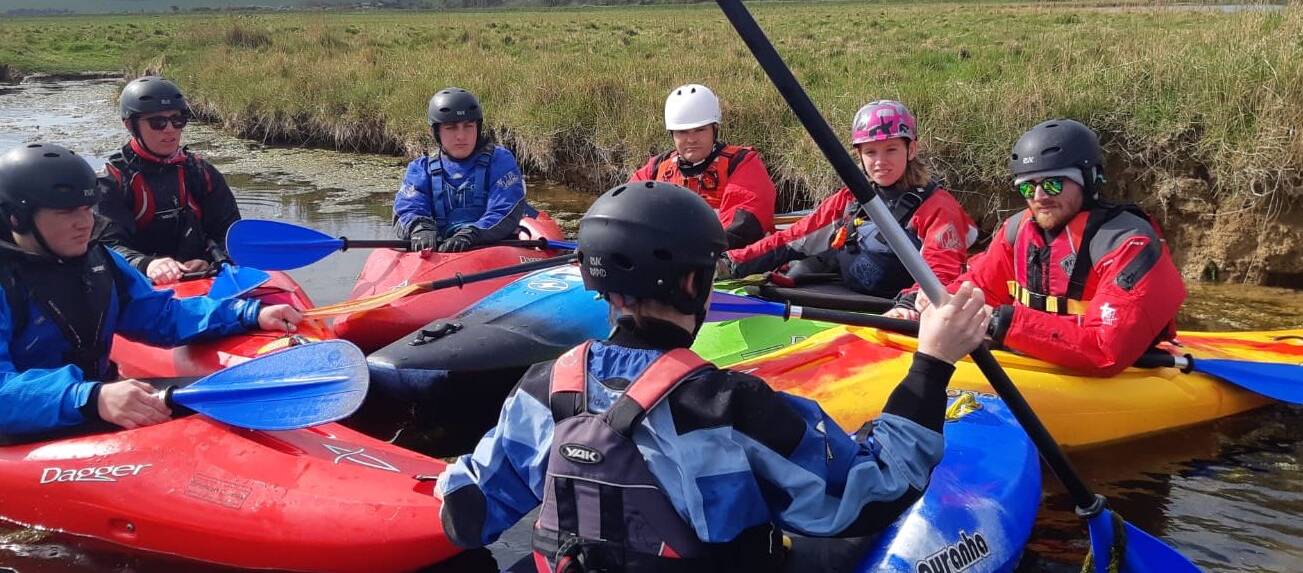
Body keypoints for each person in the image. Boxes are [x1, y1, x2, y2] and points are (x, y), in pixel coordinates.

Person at [436, 180, 990, 572]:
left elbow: (468, 513)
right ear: (697, 286)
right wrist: (932, 364)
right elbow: (875, 489)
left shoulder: (541, 388)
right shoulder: (731, 406)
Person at [0, 142, 303, 441]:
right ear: (17, 217)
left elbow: (161, 317)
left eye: (86, 208)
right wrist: (90, 397)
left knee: (233, 396)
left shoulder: (101, 261)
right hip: (25, 431)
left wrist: (247, 313)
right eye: (66, 212)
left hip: (99, 400)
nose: (84, 223)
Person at [915, 118, 1187, 377]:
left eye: (1052, 184)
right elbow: (978, 286)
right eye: (1027, 188)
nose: (1039, 197)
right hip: (1035, 356)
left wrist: (998, 321)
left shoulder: (1128, 243)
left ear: (1089, 180)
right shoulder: (1018, 230)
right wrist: (924, 303)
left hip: (1120, 371)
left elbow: (1104, 350)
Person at [721, 100, 977, 299]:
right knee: (797, 267)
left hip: (901, 307)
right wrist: (731, 261)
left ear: (911, 149)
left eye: (891, 149)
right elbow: (793, 237)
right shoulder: (851, 199)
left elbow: (941, 274)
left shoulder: (937, 207)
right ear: (860, 155)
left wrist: (910, 305)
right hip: (848, 292)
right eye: (871, 152)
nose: (880, 162)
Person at [97, 76, 241, 285]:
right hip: (140, 285)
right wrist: (146, 264)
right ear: (130, 125)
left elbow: (229, 231)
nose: (170, 129)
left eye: (177, 120)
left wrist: (211, 260)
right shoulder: (112, 181)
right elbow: (106, 245)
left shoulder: (201, 172)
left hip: (202, 279)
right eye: (157, 122)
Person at [630, 83, 777, 249]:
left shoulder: (741, 163)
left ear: (714, 129)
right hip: (669, 262)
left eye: (700, 130)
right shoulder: (655, 169)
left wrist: (702, 254)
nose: (691, 139)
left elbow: (745, 222)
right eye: (682, 132)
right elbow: (626, 210)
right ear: (672, 134)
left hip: (727, 262)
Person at [393, 87, 527, 254]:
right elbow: (408, 207)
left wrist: (470, 235)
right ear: (434, 131)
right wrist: (420, 230)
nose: (461, 136)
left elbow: (504, 209)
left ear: (478, 128)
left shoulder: (500, 161)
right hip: (440, 253)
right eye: (451, 128)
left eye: (468, 126)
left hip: (490, 250)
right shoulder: (420, 169)